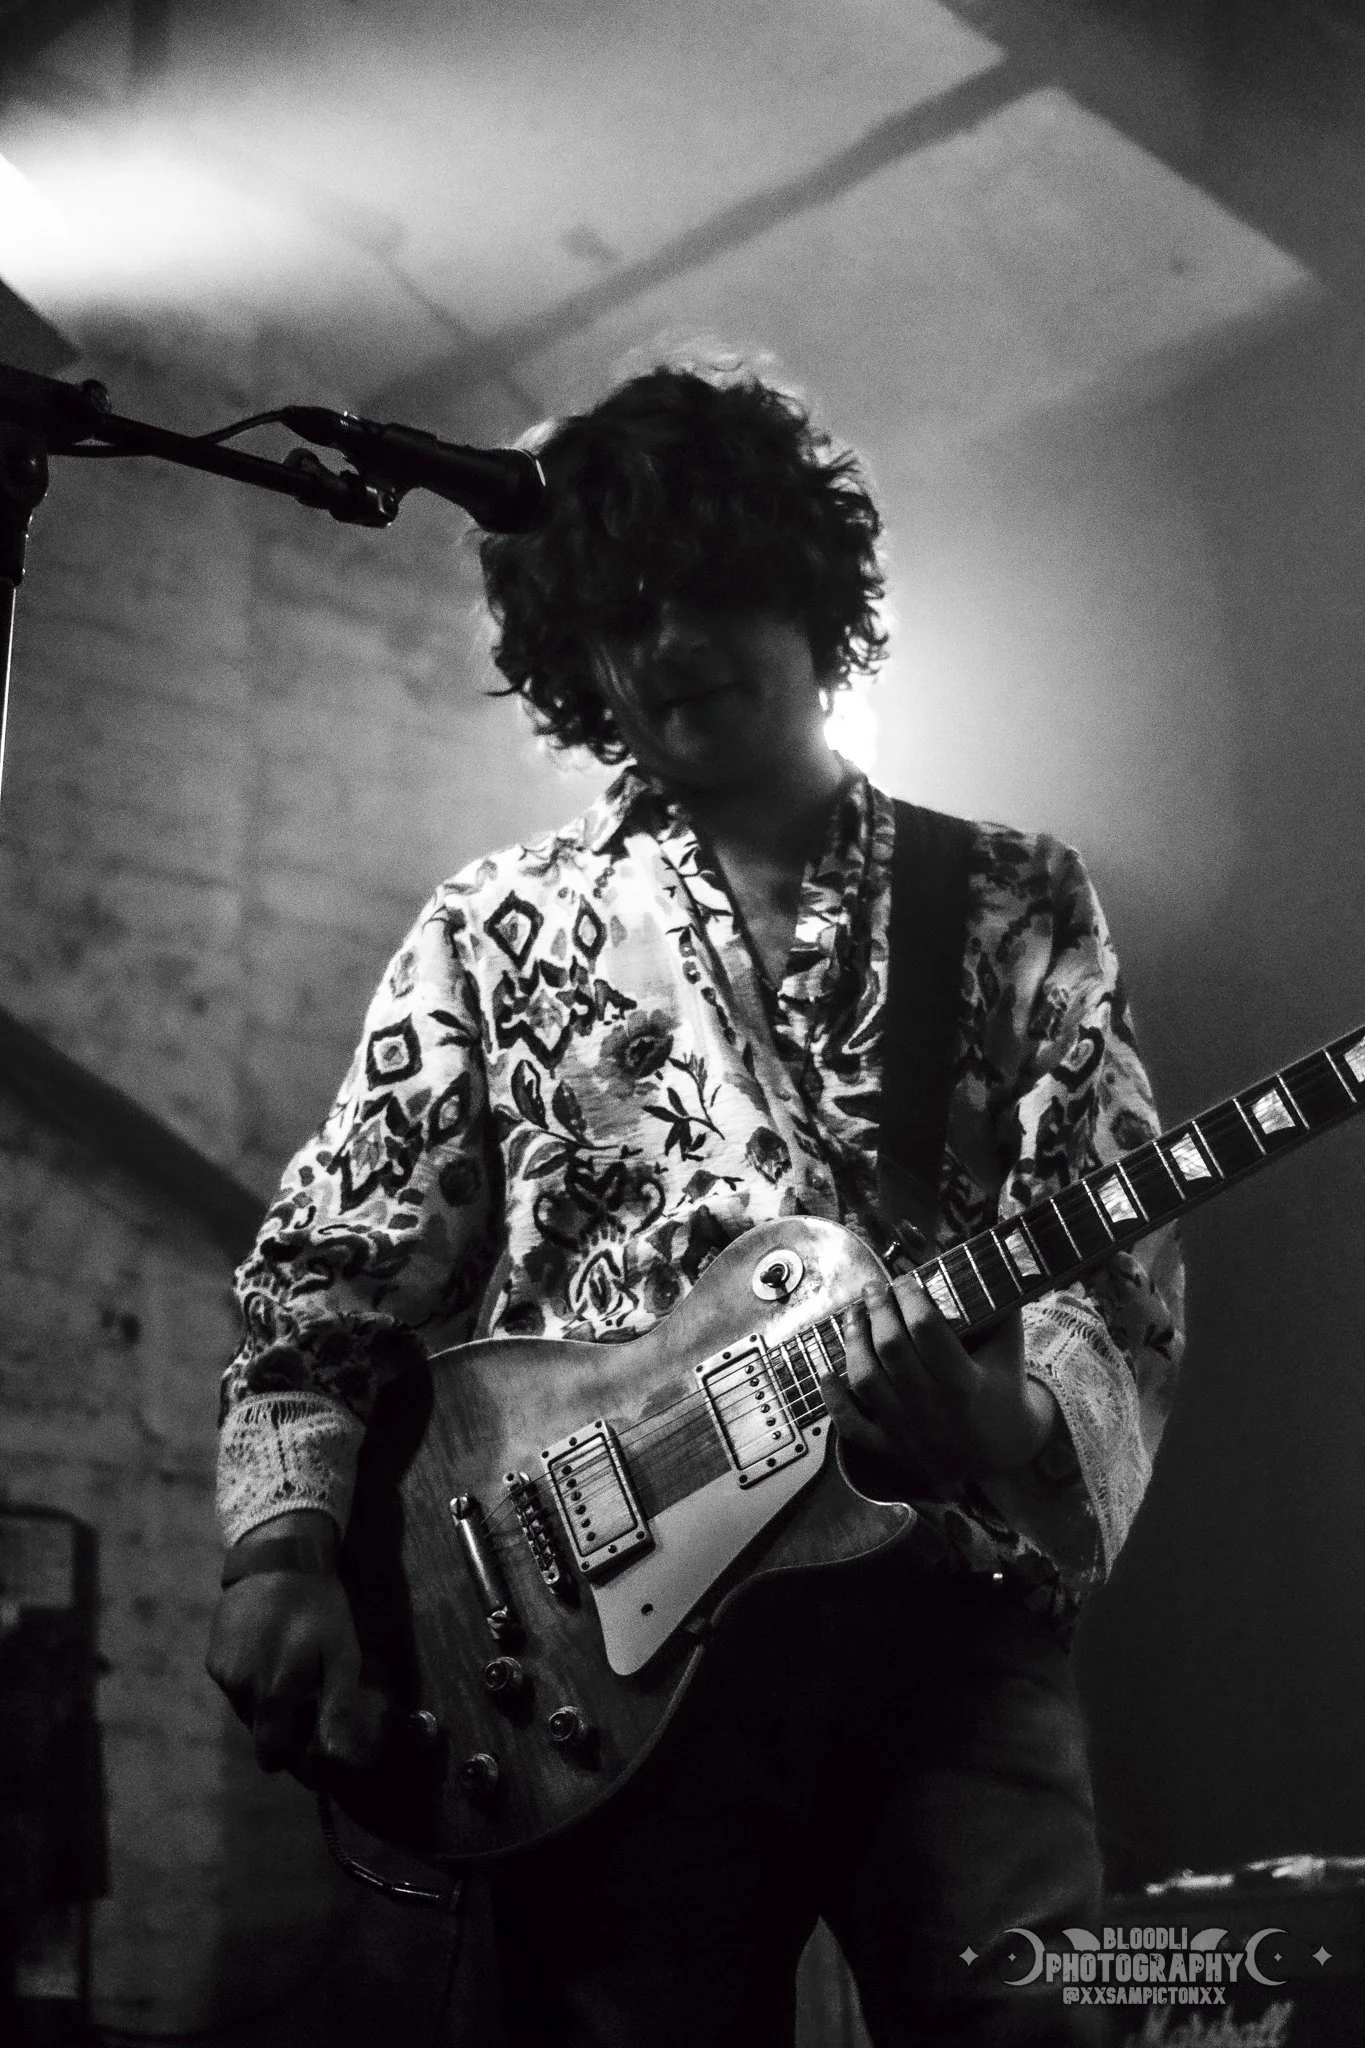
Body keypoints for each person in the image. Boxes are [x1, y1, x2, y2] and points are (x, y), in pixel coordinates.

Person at [207, 360, 1183, 2046]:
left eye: (708, 587)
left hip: (941, 1637)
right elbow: (331, 1270)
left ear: (805, 589)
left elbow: (1117, 1255)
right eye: (619, 613)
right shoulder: (494, 924)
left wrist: (1008, 1409)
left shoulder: (1015, 895)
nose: (665, 645)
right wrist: (281, 1548)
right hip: (603, 1658)